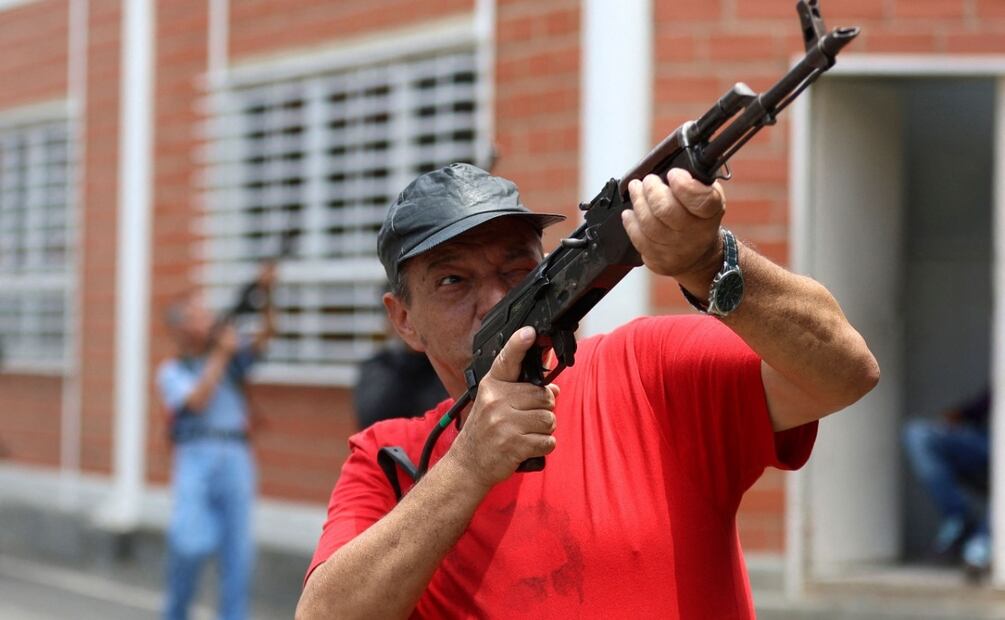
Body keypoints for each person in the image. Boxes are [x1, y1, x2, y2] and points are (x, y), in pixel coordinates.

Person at [296, 163, 880, 618]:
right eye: (453, 280)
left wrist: (707, 262)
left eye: (516, 269)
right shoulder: (389, 459)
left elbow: (845, 370)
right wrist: (467, 466)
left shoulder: (647, 370)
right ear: (404, 320)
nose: (496, 298)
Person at [158, 265, 276, 620]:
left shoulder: (230, 354)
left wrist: (267, 293)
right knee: (189, 541)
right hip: (196, 453)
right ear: (180, 329)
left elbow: (266, 335)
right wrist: (221, 354)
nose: (206, 320)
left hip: (236, 454)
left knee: (238, 553)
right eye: (196, 316)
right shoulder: (172, 371)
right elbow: (196, 401)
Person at [903, 388, 991, 575]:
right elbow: (984, 402)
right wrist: (958, 416)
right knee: (917, 434)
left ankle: (983, 543)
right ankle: (959, 520)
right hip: (985, 443)